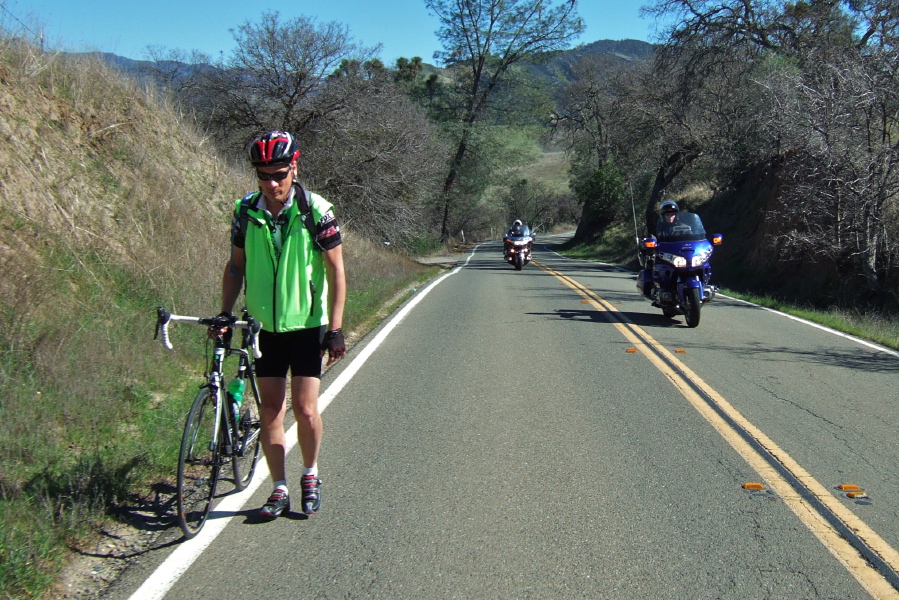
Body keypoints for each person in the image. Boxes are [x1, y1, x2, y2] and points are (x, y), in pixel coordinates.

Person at [219, 130, 347, 519]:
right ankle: (278, 488)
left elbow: (336, 269)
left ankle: (310, 474)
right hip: (264, 328)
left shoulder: (316, 210)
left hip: (307, 325)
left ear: (295, 166)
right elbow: (236, 266)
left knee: (305, 410)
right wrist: (226, 313)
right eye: (263, 175)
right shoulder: (246, 210)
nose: (272, 183)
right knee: (272, 410)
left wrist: (336, 327)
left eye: (279, 173)